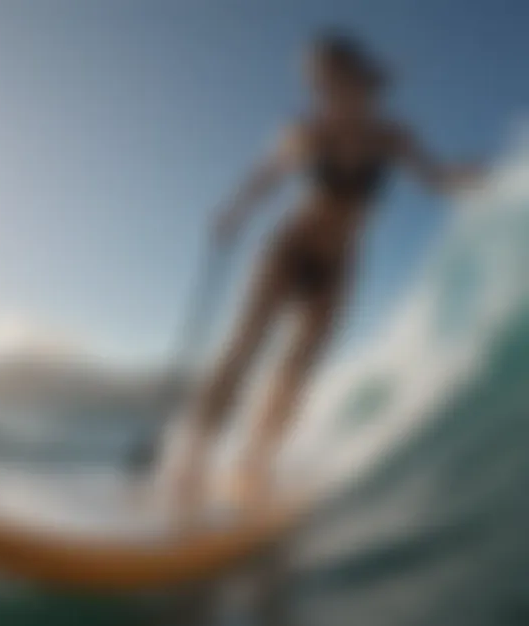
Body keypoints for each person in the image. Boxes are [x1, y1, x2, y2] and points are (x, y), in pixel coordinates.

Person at [169, 31, 484, 518]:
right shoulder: (307, 132)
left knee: (298, 369)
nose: (319, 92)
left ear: (356, 78)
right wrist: (231, 214)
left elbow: (437, 179)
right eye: (314, 83)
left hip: (339, 267)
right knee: (246, 344)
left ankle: (255, 462)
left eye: (327, 81)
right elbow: (267, 176)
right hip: (288, 250)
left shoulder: (391, 137)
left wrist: (481, 176)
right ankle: (192, 457)